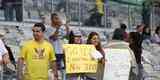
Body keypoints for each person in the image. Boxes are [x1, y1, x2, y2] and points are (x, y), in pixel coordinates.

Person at [45, 13, 69, 80]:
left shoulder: (62, 28)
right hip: (54, 52)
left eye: (58, 18)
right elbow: (54, 38)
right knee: (54, 69)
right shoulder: (49, 29)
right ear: (52, 19)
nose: (58, 20)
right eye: (56, 18)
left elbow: (67, 37)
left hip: (62, 51)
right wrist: (58, 27)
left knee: (64, 69)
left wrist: (67, 27)